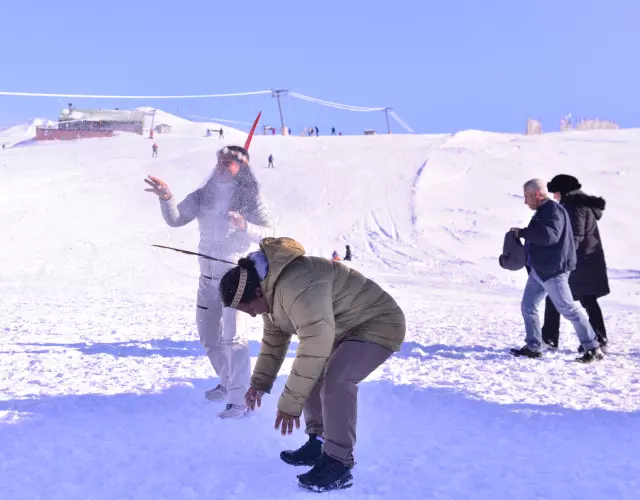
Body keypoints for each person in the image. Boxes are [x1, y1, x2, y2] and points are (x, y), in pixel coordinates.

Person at [218, 237, 406, 492]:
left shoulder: (297, 284)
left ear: (258, 292)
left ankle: (338, 464)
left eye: (249, 307)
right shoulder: (271, 293)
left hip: (377, 323)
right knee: (315, 374)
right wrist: (259, 383)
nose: (251, 313)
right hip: (342, 328)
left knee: (337, 380)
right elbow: (274, 343)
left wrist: (289, 405)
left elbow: (315, 343)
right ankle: (318, 442)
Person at [144, 145, 275, 418]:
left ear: (242, 167)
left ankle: (240, 401)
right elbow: (176, 219)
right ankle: (228, 382)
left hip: (236, 278)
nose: (222, 165)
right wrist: (166, 197)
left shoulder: (252, 198)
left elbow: (270, 234)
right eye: (220, 160)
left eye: (230, 162)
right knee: (208, 337)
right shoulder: (204, 195)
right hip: (206, 280)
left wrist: (244, 227)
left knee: (235, 339)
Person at [510, 179, 604, 363]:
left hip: (553, 271)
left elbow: (549, 236)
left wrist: (523, 233)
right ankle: (533, 347)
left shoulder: (553, 211)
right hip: (540, 270)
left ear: (537, 194)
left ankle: (593, 348)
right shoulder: (543, 211)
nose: (525, 201)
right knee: (528, 307)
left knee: (569, 309)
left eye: (527, 196)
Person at [541, 175, 610, 351]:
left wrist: (561, 257)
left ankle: (549, 339)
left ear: (563, 191)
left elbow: (575, 237)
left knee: (556, 297)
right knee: (587, 300)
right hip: (585, 262)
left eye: (555, 193)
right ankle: (598, 338)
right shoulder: (576, 204)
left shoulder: (575, 206)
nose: (554, 197)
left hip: (579, 263)